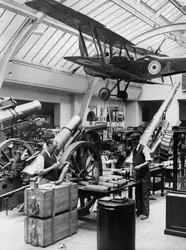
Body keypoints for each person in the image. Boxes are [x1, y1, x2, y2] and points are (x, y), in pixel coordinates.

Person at [126, 133, 152, 220]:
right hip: (137, 174)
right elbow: (131, 162)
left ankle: (145, 213)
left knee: (144, 194)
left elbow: (148, 161)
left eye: (134, 140)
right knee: (137, 193)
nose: (133, 142)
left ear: (138, 139)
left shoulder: (144, 148)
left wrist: (140, 166)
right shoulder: (134, 150)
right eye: (132, 141)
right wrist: (130, 173)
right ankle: (139, 210)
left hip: (144, 174)